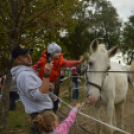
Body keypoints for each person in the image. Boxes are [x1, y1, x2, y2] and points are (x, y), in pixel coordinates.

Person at [11, 45, 54, 134]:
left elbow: (37, 91)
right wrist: (46, 75)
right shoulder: (24, 75)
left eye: (28, 54)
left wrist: (45, 84)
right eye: (24, 56)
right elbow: (39, 96)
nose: (29, 57)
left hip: (42, 116)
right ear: (17, 60)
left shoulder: (28, 72)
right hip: (41, 118)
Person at [33, 43, 83, 111]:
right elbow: (35, 67)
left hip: (52, 81)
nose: (59, 54)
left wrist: (77, 62)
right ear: (51, 53)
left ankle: (50, 106)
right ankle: (55, 100)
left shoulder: (61, 60)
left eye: (60, 52)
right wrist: (34, 72)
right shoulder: (43, 59)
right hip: (42, 79)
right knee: (45, 93)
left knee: (47, 94)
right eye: (57, 52)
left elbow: (69, 63)